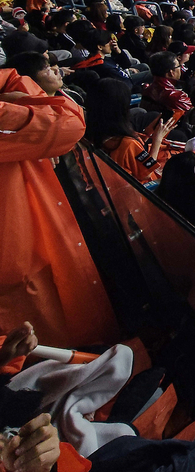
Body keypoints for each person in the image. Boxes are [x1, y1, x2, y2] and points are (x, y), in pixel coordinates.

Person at [0, 68, 120, 348]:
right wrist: (25, 100)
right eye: (44, 66)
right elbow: (70, 122)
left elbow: (13, 76)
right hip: (19, 253)